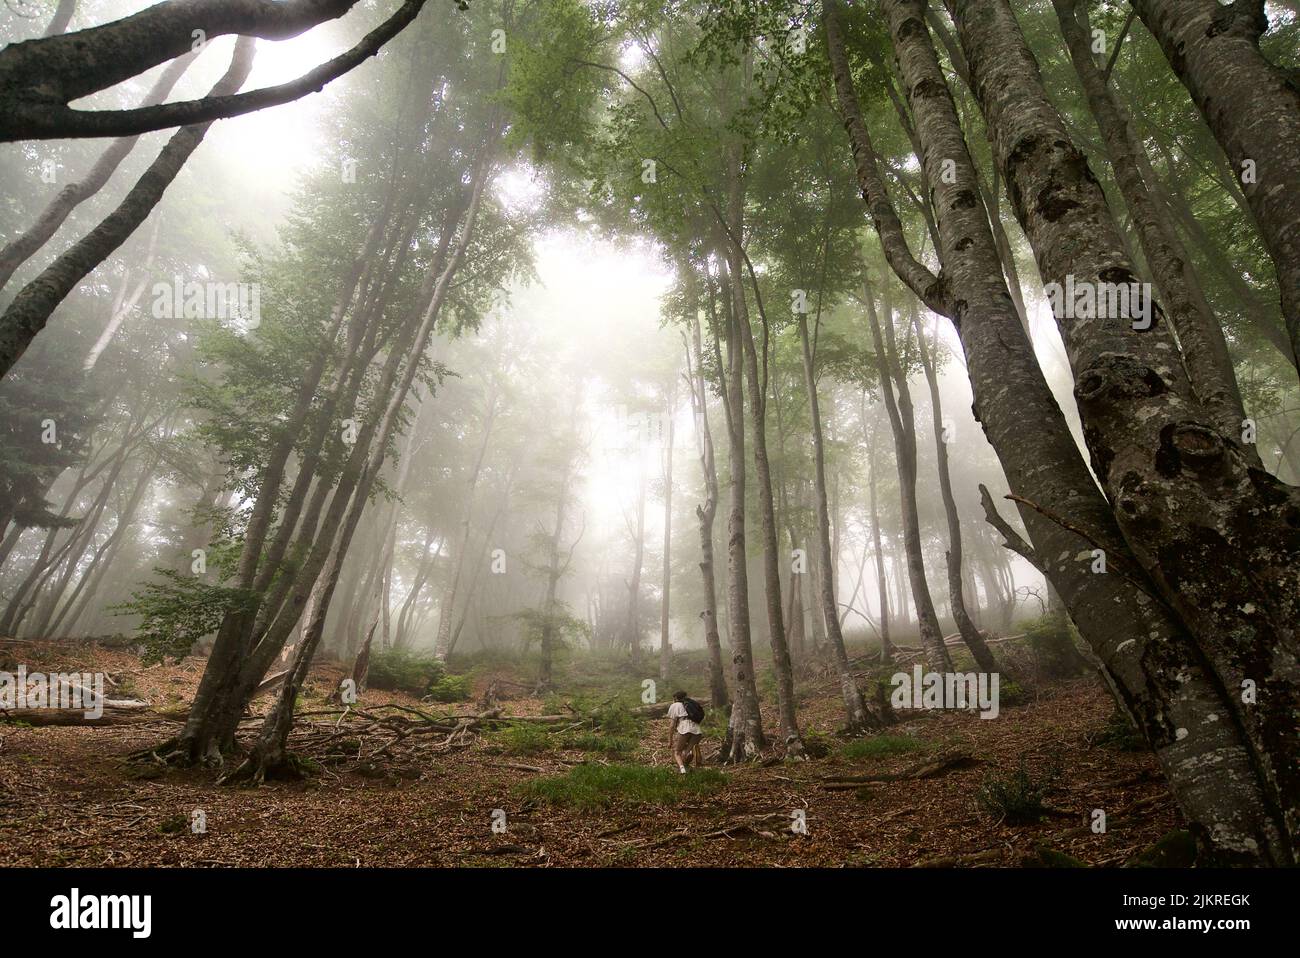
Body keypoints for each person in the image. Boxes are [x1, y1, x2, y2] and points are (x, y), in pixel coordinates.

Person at [666, 690, 703, 773]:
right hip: (696, 730)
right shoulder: (691, 704)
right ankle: (688, 762)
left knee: (677, 752)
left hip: (684, 728)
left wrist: (670, 740)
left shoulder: (675, 705)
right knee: (686, 751)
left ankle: (682, 770)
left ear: (675, 698)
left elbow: (672, 726)